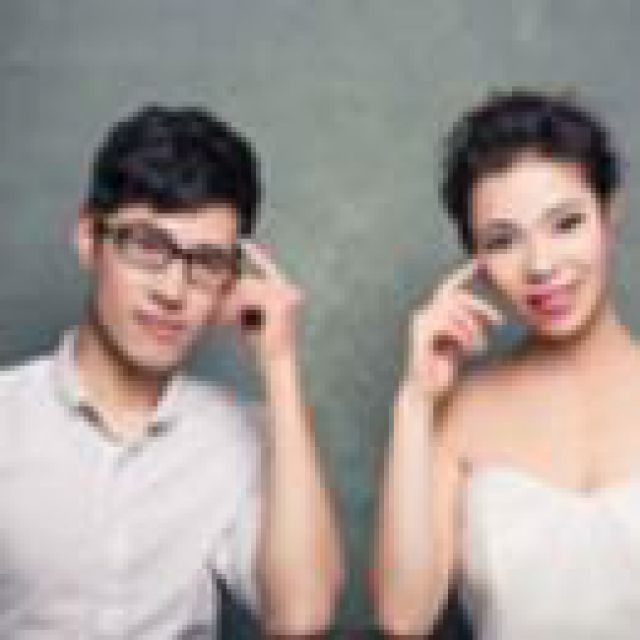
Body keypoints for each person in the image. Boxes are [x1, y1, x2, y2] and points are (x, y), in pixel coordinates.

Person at [0, 104, 343, 638]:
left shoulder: (241, 433)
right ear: (89, 238)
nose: (173, 291)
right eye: (148, 246)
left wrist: (279, 363)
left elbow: (302, 616)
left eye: (207, 262)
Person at [372, 90, 640, 639]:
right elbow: (404, 617)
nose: (540, 266)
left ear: (609, 214)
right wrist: (415, 401)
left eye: (565, 224)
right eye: (503, 241)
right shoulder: (462, 412)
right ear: (477, 260)